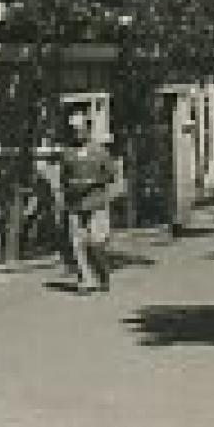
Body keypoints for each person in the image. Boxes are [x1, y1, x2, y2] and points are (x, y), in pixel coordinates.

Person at [60, 112, 120, 293]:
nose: (77, 133)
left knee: (96, 242)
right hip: (75, 203)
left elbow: (111, 173)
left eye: (80, 129)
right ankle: (86, 279)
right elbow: (64, 177)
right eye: (74, 130)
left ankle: (103, 274)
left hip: (95, 202)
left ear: (88, 129)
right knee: (77, 243)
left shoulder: (99, 151)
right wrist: (69, 188)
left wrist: (94, 181)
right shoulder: (67, 152)